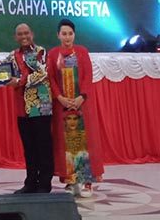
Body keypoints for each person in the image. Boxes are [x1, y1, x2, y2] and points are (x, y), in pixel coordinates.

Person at [46, 19, 104, 198]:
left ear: (74, 35)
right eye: (64, 34)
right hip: (62, 106)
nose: (67, 37)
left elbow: (87, 76)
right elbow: (51, 78)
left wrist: (81, 97)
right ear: (58, 35)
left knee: (84, 140)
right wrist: (60, 98)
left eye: (70, 33)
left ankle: (87, 182)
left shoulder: (82, 52)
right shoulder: (53, 54)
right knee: (66, 142)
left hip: (81, 105)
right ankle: (71, 182)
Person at [6, 23, 54, 194]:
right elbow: (1, 72)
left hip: (41, 106)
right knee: (29, 148)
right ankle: (31, 182)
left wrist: (19, 81)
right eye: (20, 34)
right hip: (22, 108)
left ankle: (45, 183)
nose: (24, 36)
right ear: (15, 37)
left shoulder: (41, 52)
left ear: (32, 34)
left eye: (26, 33)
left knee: (44, 146)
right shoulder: (13, 55)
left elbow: (42, 73)